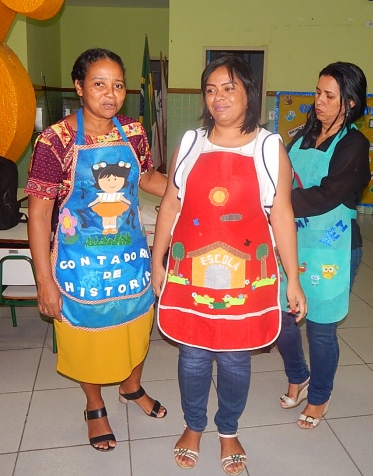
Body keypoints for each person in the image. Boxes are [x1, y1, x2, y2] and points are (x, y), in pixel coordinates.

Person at [151, 55, 306, 475]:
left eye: (229, 88)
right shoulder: (190, 143)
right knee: (193, 355)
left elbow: (282, 215)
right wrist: (158, 259)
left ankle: (228, 430)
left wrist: (293, 279)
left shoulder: (268, 147)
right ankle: (193, 425)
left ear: (249, 94)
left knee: (236, 359)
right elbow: (171, 204)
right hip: (191, 273)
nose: (218, 97)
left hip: (245, 277)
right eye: (211, 89)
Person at [26, 48, 168, 452]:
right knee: (87, 338)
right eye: (99, 84)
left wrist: (191, 191)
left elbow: (147, 178)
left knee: (136, 325)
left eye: (118, 85)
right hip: (80, 263)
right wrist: (44, 282)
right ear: (79, 87)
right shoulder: (56, 140)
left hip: (130, 257)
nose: (111, 94)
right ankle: (94, 405)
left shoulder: (133, 131)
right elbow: (40, 213)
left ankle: (132, 386)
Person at [275, 62, 371, 429]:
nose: (319, 101)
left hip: (333, 249)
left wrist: (276, 204)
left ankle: (319, 396)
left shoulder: (354, 144)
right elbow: (278, 174)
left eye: (329, 96)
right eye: (318, 92)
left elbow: (328, 195)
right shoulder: (302, 136)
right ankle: (298, 376)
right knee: (282, 319)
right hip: (293, 243)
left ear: (350, 102)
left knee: (320, 329)